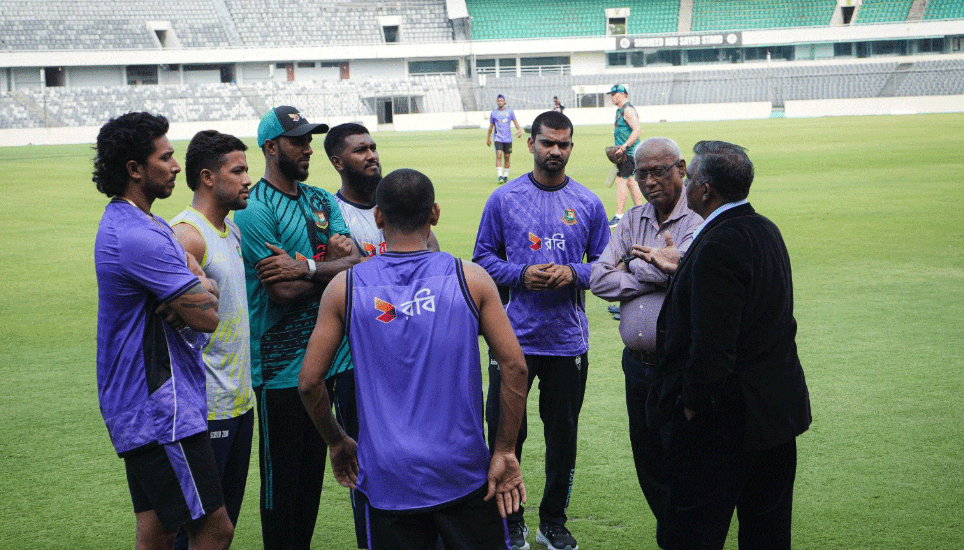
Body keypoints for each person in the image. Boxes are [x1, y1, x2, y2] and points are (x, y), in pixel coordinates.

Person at [298, 168, 530, 550]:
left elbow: (309, 382)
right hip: (463, 471)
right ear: (434, 214)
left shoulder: (345, 287)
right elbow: (515, 366)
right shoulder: (470, 278)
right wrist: (504, 449)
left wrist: (337, 441)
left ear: (378, 217)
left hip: (388, 476)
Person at [644, 141, 812, 549]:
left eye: (690, 178)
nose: (684, 185)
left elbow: (713, 345)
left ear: (705, 190)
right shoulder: (765, 229)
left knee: (691, 533)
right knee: (768, 534)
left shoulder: (718, 244)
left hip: (722, 425)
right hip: (775, 418)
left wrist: (691, 406)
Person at [93, 112, 233, 550]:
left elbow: (202, 293)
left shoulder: (140, 223)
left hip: (138, 405)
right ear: (135, 169)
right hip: (160, 410)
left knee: (156, 532)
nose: (175, 166)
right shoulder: (141, 237)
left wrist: (197, 284)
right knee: (214, 530)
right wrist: (199, 287)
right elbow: (208, 316)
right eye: (166, 157)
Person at [473, 111, 610, 550]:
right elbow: (482, 260)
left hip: (567, 342)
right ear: (531, 144)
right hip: (512, 340)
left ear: (571, 147)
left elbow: (606, 267)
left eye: (563, 144)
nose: (555, 151)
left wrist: (573, 273)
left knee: (562, 437)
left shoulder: (588, 203)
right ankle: (510, 521)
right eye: (548, 142)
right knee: (506, 434)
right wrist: (520, 274)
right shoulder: (504, 199)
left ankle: (552, 522)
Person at [234, 105, 361, 550]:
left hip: (327, 362)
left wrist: (305, 266)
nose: (308, 148)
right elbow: (282, 293)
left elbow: (358, 263)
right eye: (298, 141)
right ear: (271, 148)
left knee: (310, 481)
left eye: (309, 139)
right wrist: (330, 265)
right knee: (282, 486)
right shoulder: (254, 209)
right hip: (280, 370)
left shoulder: (321, 199)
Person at [321, 122, 441, 548]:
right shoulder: (332, 215)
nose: (371, 155)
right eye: (360, 150)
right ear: (338, 162)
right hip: (360, 364)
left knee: (424, 454)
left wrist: (360, 263)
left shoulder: (398, 205)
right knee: (369, 466)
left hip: (416, 354)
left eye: (373, 147)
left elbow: (433, 261)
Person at [589, 137, 702, 549]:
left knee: (684, 461)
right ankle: (674, 536)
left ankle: (682, 538)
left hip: (679, 366)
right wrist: (656, 272)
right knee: (648, 460)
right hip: (636, 365)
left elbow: (691, 276)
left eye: (659, 171)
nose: (650, 181)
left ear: (681, 168)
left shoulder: (698, 219)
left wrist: (636, 264)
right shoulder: (633, 218)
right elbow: (599, 278)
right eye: (642, 174)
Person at [170, 130, 256, 550]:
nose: (248, 179)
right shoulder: (188, 235)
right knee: (197, 529)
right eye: (237, 171)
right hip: (205, 409)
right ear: (207, 177)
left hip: (239, 402)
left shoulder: (230, 232)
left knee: (223, 528)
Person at [607, 84, 644, 227]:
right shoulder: (619, 111)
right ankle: (640, 211)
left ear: (623, 94)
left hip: (628, 153)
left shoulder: (628, 110)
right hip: (624, 154)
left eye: (614, 94)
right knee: (630, 181)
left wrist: (624, 146)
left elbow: (637, 130)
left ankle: (619, 215)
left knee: (620, 181)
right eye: (611, 94)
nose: (612, 97)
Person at [486, 93, 524, 185]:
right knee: (499, 155)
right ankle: (500, 176)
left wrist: (519, 130)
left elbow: (515, 122)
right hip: (498, 138)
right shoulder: (494, 113)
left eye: (501, 100)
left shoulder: (510, 112)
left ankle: (505, 176)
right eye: (498, 101)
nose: (500, 102)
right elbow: (491, 126)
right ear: (497, 102)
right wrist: (488, 138)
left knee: (507, 157)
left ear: (505, 102)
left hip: (508, 139)